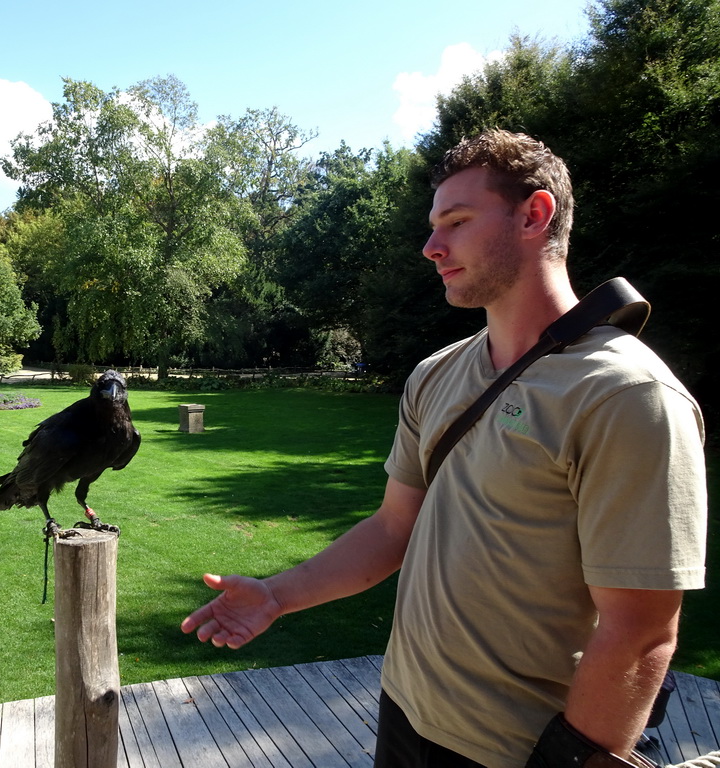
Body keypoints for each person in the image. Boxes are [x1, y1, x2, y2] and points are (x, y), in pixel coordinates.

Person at [180, 129, 708, 768]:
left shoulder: (626, 396)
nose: (432, 248)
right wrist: (277, 595)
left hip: (518, 751)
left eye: (456, 222)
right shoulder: (435, 376)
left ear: (534, 216)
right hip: (405, 713)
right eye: (433, 226)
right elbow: (393, 526)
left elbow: (641, 631)